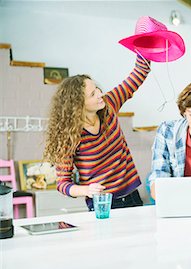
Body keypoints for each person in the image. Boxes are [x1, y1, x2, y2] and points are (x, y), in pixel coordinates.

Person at [44, 55, 151, 211]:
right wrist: (86, 190)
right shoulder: (69, 137)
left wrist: (144, 48)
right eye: (93, 94)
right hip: (103, 204)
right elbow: (63, 184)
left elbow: (139, 73)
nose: (100, 94)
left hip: (132, 197)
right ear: (78, 104)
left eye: (97, 89)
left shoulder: (109, 104)